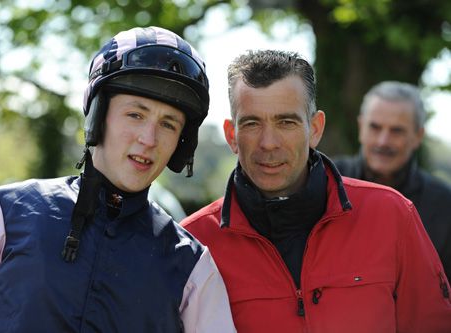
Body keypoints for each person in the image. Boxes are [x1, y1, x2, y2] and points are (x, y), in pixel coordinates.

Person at [0, 26, 236, 333]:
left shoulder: (191, 265)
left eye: (168, 124)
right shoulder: (6, 213)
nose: (149, 138)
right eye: (135, 115)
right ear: (98, 116)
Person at [180, 50, 451, 332]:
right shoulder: (195, 245)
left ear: (315, 128)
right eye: (252, 123)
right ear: (232, 135)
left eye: (286, 122)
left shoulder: (393, 215)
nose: (269, 143)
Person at [334, 81, 451, 279]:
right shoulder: (325, 181)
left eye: (396, 131)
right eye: (375, 127)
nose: (383, 141)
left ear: (418, 136)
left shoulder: (444, 205)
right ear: (361, 127)